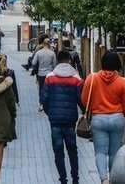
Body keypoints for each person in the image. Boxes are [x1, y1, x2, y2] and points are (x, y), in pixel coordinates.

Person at [82, 51, 125, 184]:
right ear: (118, 64)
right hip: (117, 120)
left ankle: (103, 179)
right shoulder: (122, 82)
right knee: (114, 152)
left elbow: (84, 100)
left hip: (98, 120)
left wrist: (94, 106)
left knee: (100, 152)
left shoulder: (92, 78)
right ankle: (112, 178)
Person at [42, 50, 84, 184]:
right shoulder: (76, 78)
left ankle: (63, 179)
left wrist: (51, 113)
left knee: (58, 151)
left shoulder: (49, 77)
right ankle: (75, 179)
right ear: (69, 60)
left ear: (58, 60)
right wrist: (84, 114)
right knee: (72, 150)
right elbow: (81, 100)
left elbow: (44, 99)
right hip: (70, 120)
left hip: (55, 121)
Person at [32, 34, 57, 112]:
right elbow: (54, 64)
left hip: (41, 74)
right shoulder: (52, 53)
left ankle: (41, 104)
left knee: (41, 89)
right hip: (49, 74)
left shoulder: (39, 53)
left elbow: (33, 62)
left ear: (43, 43)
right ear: (49, 44)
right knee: (50, 89)